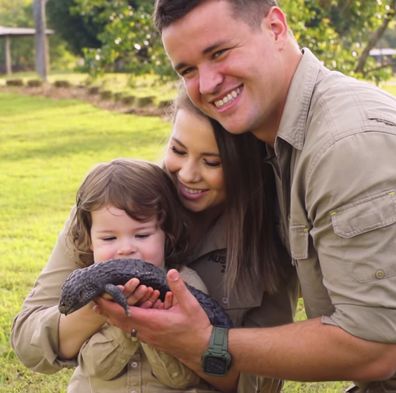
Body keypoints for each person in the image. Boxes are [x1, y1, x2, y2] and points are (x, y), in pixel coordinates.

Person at [93, 1, 396, 392]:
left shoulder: (345, 146)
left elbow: (376, 345)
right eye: (187, 70)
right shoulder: (273, 144)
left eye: (218, 52)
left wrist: (205, 342)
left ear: (274, 26)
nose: (206, 84)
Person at [11, 93, 298, 392]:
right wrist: (101, 306)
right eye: (177, 149)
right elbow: (28, 343)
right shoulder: (110, 208)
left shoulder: (271, 232)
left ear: (244, 165)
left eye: (211, 162)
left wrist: (193, 341)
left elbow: (262, 381)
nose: (187, 174)